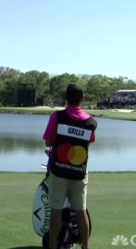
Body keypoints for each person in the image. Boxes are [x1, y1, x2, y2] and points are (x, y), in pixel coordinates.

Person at [43, 84, 97, 249]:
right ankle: (85, 247)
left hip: (58, 171)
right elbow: (89, 141)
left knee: (56, 211)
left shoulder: (56, 116)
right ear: (82, 99)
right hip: (79, 172)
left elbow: (48, 141)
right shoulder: (91, 122)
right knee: (81, 211)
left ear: (66, 98)